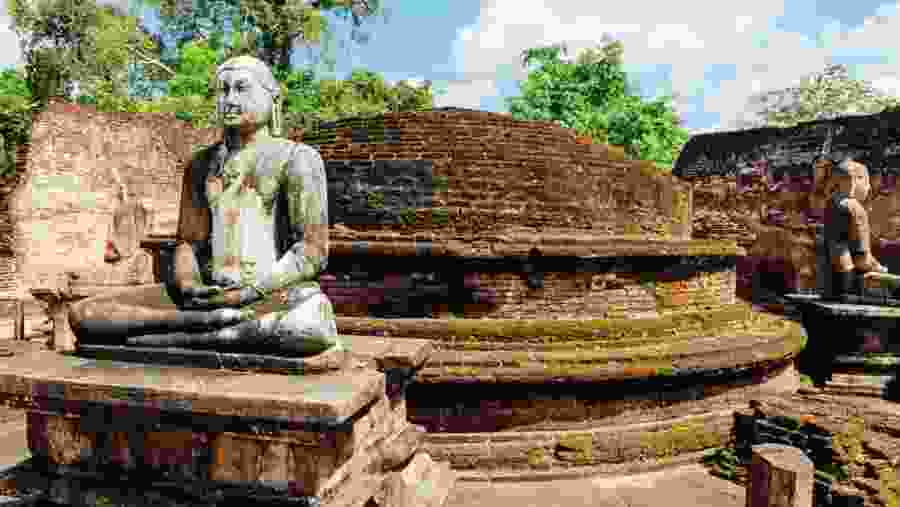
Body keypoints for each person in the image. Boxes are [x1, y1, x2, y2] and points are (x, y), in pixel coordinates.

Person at [68, 55, 342, 358]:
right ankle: (213, 328)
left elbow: (312, 252)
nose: (230, 99)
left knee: (309, 324)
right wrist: (189, 284)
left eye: (241, 89)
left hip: (270, 294)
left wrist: (251, 291)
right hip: (210, 297)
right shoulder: (200, 165)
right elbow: (188, 244)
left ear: (273, 98)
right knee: (86, 314)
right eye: (223, 90)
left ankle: (186, 335)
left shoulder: (297, 158)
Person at [816, 156, 891, 301]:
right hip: (848, 286)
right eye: (867, 182)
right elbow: (862, 259)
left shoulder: (831, 203)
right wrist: (881, 269)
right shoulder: (855, 208)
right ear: (854, 180)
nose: (868, 188)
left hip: (827, 285)